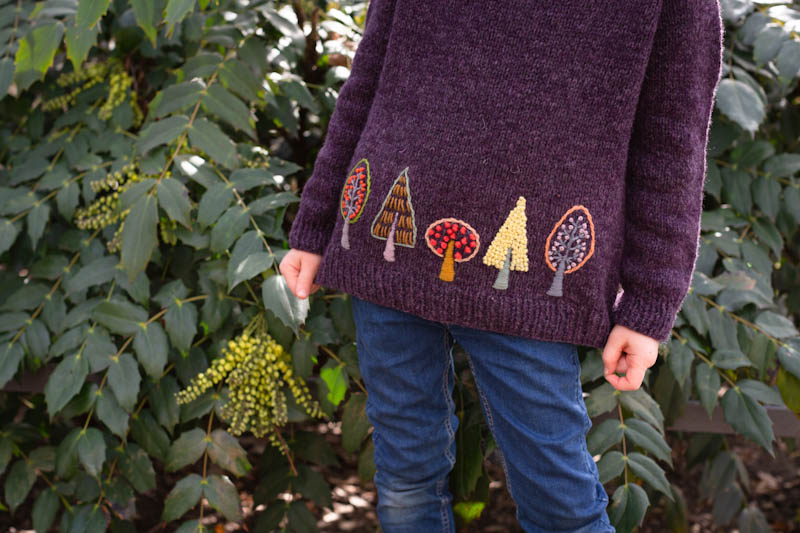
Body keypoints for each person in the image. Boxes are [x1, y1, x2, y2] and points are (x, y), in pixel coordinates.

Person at [279, 1, 724, 531]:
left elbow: (673, 145)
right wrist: (315, 224)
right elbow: (367, 77)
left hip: (530, 284)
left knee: (561, 505)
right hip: (386, 242)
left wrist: (649, 304)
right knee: (404, 479)